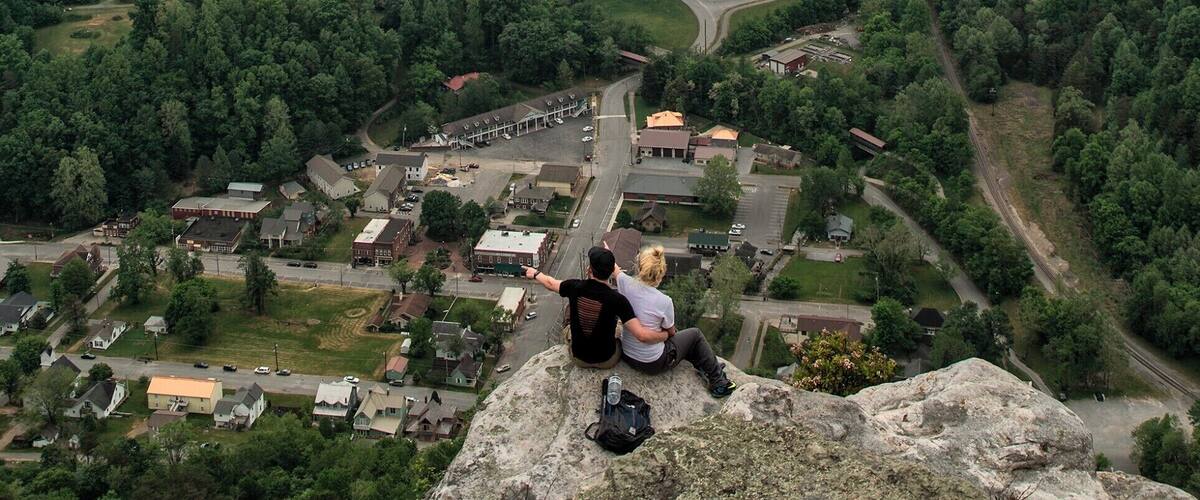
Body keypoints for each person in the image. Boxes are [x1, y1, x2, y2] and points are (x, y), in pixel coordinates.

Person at [615, 245, 736, 398]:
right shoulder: (664, 301)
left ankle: (707, 366)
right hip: (653, 363)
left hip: (628, 355)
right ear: (661, 273)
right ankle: (718, 382)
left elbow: (615, 269)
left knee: (683, 340)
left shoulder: (624, 283)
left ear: (639, 267)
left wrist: (607, 252)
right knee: (694, 334)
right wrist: (664, 333)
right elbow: (671, 333)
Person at [522, 246, 666, 369]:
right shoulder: (618, 300)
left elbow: (550, 283)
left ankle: (571, 333)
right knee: (618, 329)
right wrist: (666, 335)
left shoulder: (575, 286)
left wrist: (535, 273)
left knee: (569, 310)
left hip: (578, 358)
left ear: (589, 269)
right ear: (611, 272)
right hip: (607, 360)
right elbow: (640, 334)